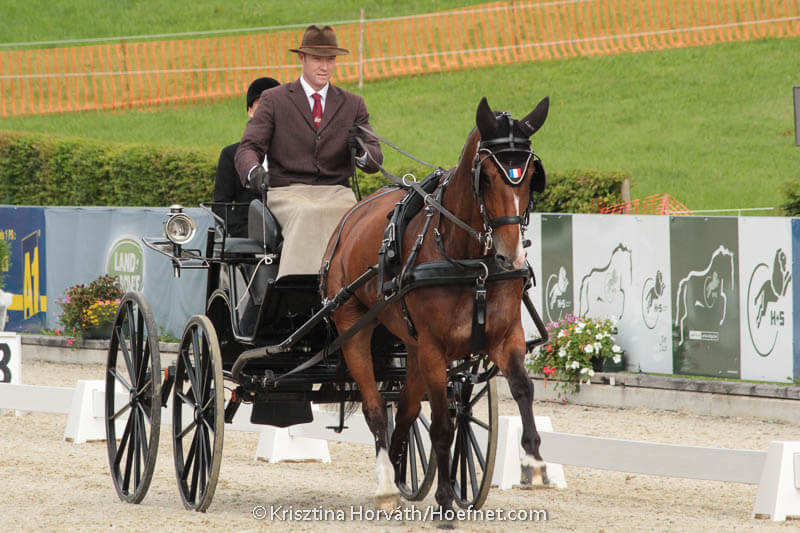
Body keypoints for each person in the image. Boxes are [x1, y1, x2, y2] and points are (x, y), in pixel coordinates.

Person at [234, 24, 383, 278]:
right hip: (288, 192)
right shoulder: (273, 99)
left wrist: (361, 152)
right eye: (317, 59)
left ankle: (361, 284)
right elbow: (248, 148)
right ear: (302, 58)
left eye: (330, 59)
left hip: (337, 192)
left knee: (362, 218)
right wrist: (254, 172)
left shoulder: (353, 104)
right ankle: (297, 285)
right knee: (308, 212)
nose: (324, 66)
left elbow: (374, 157)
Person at [213, 77, 280, 237]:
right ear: (250, 111)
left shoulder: (294, 152)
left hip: (288, 231)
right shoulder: (230, 154)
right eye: (261, 107)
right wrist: (246, 233)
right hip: (246, 235)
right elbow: (220, 205)